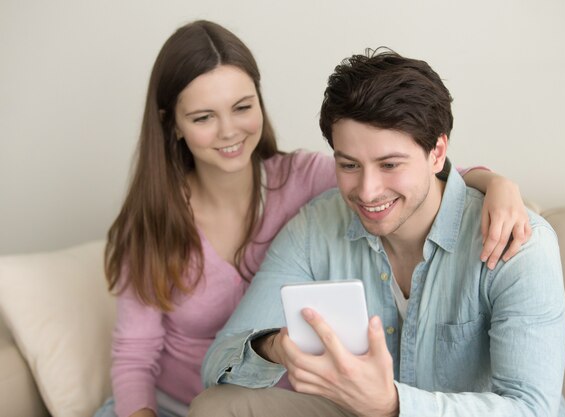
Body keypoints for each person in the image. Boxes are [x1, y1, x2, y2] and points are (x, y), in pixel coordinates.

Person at [94, 20, 532, 417]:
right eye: (204, 117)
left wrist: (493, 183)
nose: (229, 131)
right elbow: (134, 354)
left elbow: (403, 174)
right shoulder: (151, 222)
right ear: (173, 125)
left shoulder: (303, 180)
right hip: (172, 406)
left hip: (278, 401)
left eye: (242, 107)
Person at [191, 49, 565, 417]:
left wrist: (392, 406)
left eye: (390, 164)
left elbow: (532, 408)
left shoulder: (521, 244)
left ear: (437, 153)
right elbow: (218, 364)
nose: (368, 191)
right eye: (350, 164)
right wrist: (276, 347)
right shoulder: (314, 229)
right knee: (218, 408)